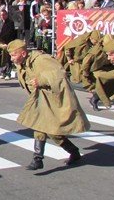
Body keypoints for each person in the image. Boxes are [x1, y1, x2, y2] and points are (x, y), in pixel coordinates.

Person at [6, 39, 89, 171]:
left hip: (53, 98)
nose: (11, 59)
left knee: (44, 127)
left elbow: (59, 73)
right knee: (46, 128)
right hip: (41, 99)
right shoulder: (23, 62)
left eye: (13, 55)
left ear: (22, 53)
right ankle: (69, 152)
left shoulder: (41, 59)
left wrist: (42, 80)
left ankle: (38, 158)